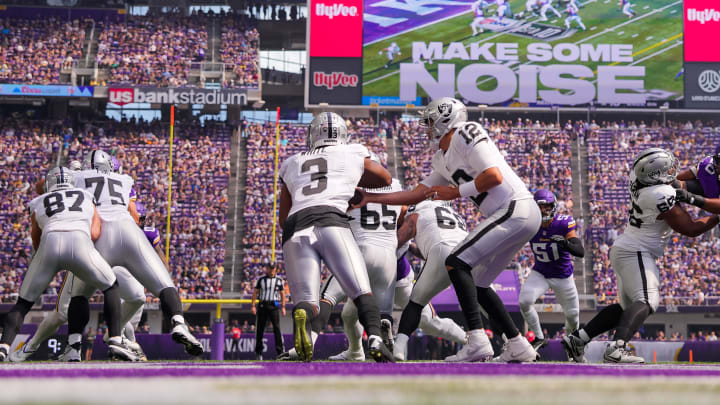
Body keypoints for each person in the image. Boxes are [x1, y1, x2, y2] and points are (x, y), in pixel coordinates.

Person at [355, 97, 541, 362]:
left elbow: (494, 176)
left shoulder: (466, 132)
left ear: (446, 119)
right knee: (478, 283)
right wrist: (371, 198)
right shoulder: (442, 159)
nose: (426, 129)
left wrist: (455, 191)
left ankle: (477, 339)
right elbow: (414, 195)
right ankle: (517, 343)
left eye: (430, 122)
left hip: (516, 207)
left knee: (456, 261)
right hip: (514, 216)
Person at [563, 148, 719, 363]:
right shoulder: (660, 195)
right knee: (647, 300)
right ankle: (616, 349)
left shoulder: (639, 177)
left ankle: (578, 339)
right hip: (636, 251)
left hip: (627, 247)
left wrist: (689, 188)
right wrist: (713, 217)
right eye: (668, 169)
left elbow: (680, 181)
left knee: (628, 309)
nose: (674, 170)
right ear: (656, 175)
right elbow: (690, 229)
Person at [277, 112, 395, 362]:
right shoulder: (352, 151)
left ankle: (303, 313)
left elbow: (282, 217)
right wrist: (349, 183)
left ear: (312, 135)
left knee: (309, 300)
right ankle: (374, 338)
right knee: (361, 291)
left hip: (296, 227)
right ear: (343, 134)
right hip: (331, 220)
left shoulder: (291, 161)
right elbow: (384, 178)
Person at [69, 150, 202, 357]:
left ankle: (74, 346)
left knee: (80, 294)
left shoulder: (77, 177)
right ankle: (178, 323)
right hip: (129, 232)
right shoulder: (124, 179)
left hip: (100, 237)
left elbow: (56, 187)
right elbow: (135, 213)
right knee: (165, 284)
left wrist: (74, 170)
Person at [0, 167, 134, 361]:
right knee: (110, 286)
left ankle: (3, 347)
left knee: (23, 303)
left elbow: (35, 238)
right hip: (80, 243)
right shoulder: (87, 196)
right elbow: (95, 233)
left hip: (49, 244)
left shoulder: (39, 201)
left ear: (49, 184)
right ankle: (114, 340)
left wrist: (42, 261)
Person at [10, 200, 157, 362]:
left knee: (136, 297)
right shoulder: (90, 202)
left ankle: (121, 339)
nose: (140, 222)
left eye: (142, 219)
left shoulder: (132, 222)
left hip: (113, 258)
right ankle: (32, 345)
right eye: (139, 218)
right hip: (88, 256)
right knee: (62, 313)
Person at [312, 163, 404, 361]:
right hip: (388, 255)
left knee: (327, 296)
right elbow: (403, 211)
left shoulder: (351, 188)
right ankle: (369, 345)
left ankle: (306, 342)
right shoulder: (396, 185)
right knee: (376, 311)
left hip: (361, 249)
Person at [391, 200, 470, 361]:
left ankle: (469, 340)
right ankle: (356, 350)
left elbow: (400, 242)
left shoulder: (408, 214)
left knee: (427, 319)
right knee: (350, 313)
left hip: (400, 279)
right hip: (370, 276)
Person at [519, 189, 583, 353]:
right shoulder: (530, 225)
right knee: (525, 302)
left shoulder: (563, 223)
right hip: (540, 272)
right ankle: (539, 338)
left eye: (547, 207)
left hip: (563, 276)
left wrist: (566, 244)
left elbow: (580, 251)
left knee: (573, 316)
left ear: (553, 206)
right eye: (540, 207)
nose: (544, 210)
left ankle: (570, 345)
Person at [251, 264, 286, 360]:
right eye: (270, 269)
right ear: (267, 269)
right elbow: (255, 292)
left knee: (277, 328)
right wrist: (253, 305)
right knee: (260, 329)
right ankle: (258, 352)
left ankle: (280, 352)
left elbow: (283, 294)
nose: (271, 271)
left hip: (273, 306)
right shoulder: (261, 280)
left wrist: (283, 307)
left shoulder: (279, 280)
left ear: (275, 269)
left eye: (273, 269)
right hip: (263, 305)